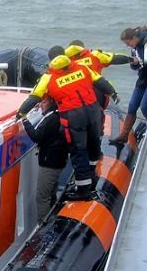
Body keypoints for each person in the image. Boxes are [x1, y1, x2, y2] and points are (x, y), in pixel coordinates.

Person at [18, 46, 117, 200]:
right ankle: (92, 177)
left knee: (79, 150)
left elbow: (34, 97)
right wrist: (113, 93)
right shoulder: (82, 68)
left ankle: (83, 190)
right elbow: (100, 81)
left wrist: (21, 113)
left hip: (74, 116)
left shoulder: (48, 77)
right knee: (93, 144)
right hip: (93, 111)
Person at [110, 26, 147, 144]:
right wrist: (134, 63)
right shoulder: (135, 46)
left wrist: (137, 62)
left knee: (144, 107)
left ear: (134, 38)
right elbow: (135, 63)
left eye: (128, 43)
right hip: (143, 79)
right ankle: (124, 135)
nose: (128, 46)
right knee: (132, 106)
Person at [22, 96, 68, 221]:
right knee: (51, 192)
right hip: (57, 160)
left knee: (42, 197)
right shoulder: (56, 115)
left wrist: (25, 121)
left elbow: (37, 136)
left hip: (50, 163)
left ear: (51, 103)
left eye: (43, 102)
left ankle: (44, 225)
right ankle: (53, 218)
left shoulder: (51, 118)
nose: (41, 104)